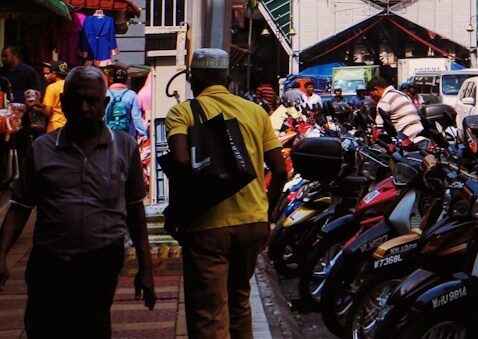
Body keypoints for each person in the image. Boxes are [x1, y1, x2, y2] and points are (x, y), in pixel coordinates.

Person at [0, 67, 155, 339]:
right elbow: (20, 206)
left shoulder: (125, 148)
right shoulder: (42, 149)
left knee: (92, 327)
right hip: (50, 261)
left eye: (92, 100)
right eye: (76, 99)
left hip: (101, 260)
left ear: (104, 104)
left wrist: (145, 266)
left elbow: (134, 208)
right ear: (65, 101)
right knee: (43, 327)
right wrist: (0, 255)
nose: (84, 107)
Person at [167, 48, 286, 339]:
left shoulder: (182, 112)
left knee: (209, 312)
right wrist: (266, 214)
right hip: (252, 223)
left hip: (208, 225)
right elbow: (280, 170)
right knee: (239, 301)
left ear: (194, 79)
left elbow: (181, 160)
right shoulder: (256, 112)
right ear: (226, 77)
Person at [369, 76, 424, 140]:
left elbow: (379, 130)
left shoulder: (384, 101)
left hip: (406, 137)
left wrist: (372, 140)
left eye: (371, 94)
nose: (371, 98)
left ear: (376, 89)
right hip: (420, 133)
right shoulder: (403, 95)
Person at [105, 64, 148, 140]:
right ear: (126, 80)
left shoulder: (105, 94)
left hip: (109, 135)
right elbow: (136, 117)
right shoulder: (132, 95)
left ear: (112, 79)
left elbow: (103, 115)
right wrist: (143, 133)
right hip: (127, 136)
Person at [41, 61, 68, 132]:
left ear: (54, 74)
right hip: (69, 127)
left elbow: (47, 112)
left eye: (48, 73)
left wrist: (33, 107)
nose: (45, 76)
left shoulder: (52, 87)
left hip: (55, 127)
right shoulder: (71, 85)